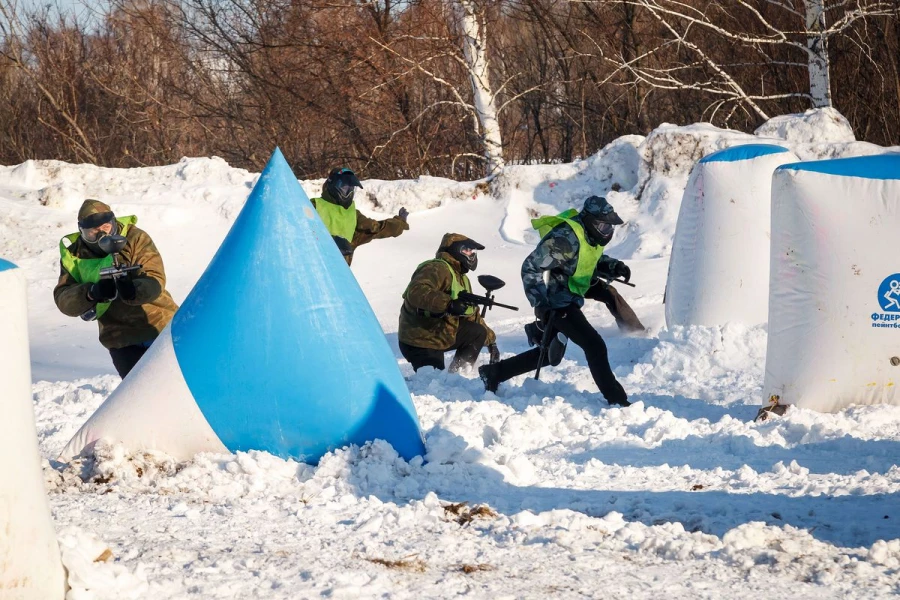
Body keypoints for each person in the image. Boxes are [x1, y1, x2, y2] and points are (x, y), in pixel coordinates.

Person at [478, 195, 635, 407]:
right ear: (590, 220)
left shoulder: (591, 236)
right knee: (594, 346)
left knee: (550, 354)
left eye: (609, 227)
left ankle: (495, 372)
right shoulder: (565, 240)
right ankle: (617, 400)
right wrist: (541, 304)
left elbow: (591, 259)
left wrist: (614, 267)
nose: (607, 231)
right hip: (557, 302)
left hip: (571, 294)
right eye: (603, 226)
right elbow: (530, 267)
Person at [54, 199, 179, 378]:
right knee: (141, 395)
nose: (101, 235)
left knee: (180, 385)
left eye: (105, 227)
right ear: (82, 232)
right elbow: (63, 299)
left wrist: (133, 290)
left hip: (158, 325)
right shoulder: (74, 254)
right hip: (120, 338)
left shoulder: (134, 237)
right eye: (93, 232)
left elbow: (155, 277)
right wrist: (91, 293)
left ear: (113, 224)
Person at [398, 233, 499, 373]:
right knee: (431, 382)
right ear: (455, 249)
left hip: (440, 334)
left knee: (477, 332)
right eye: (467, 250)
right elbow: (416, 292)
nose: (471, 255)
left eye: (473, 252)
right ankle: (438, 383)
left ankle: (459, 374)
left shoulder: (462, 278)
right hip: (420, 338)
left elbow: (472, 315)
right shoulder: (436, 268)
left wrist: (491, 342)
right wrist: (448, 304)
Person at [311, 167, 409, 265]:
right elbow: (299, 232)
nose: (348, 191)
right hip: (310, 268)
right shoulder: (314, 206)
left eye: (351, 188)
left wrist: (399, 222)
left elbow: (376, 228)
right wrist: (331, 241)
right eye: (344, 187)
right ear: (332, 184)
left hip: (338, 276)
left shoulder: (354, 215)